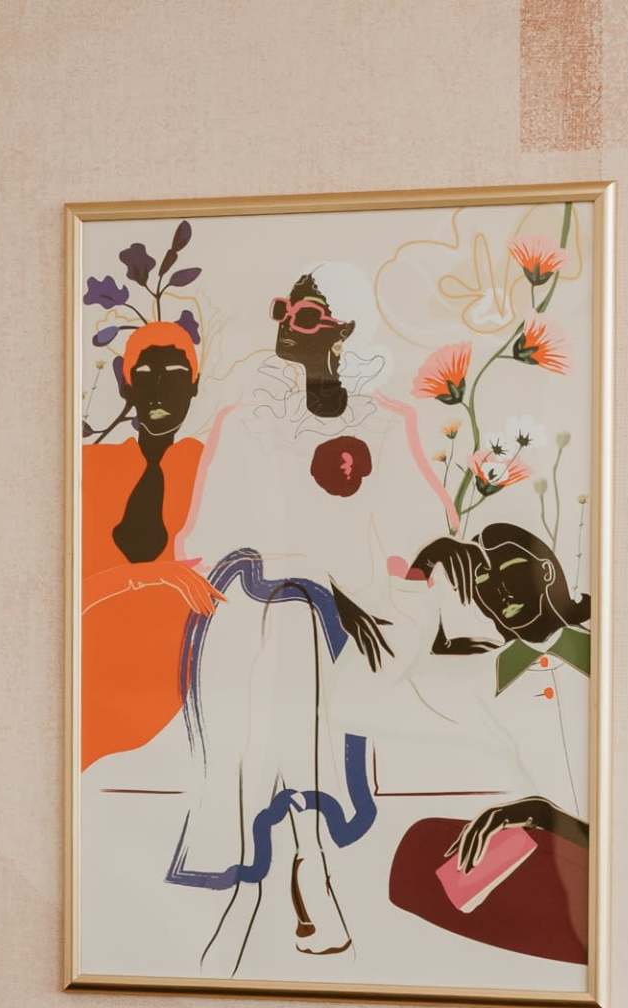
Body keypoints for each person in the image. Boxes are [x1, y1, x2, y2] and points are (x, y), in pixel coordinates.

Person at [169, 262, 451, 968]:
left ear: (343, 328)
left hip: (348, 614)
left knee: (297, 620)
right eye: (285, 311)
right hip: (250, 607)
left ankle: (305, 856)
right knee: (281, 617)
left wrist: (394, 596)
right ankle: (309, 858)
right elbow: (204, 539)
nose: (287, 325)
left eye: (306, 313)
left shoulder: (383, 426)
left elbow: (424, 530)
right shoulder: (244, 421)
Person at [77, 321, 214, 768]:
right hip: (98, 675)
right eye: (146, 375)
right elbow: (68, 596)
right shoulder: (91, 468)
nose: (159, 390)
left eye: (175, 375)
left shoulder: (211, 465)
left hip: (187, 678)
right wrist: (151, 576)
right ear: (126, 383)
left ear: (194, 385)